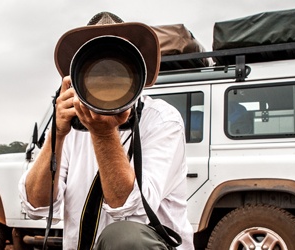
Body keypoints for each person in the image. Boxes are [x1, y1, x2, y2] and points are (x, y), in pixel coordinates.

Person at [18, 12, 192, 250]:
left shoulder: (162, 120)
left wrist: (102, 133)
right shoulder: (71, 124)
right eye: (98, 69)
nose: (108, 78)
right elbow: (35, 205)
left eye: (116, 68)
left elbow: (128, 210)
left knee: (125, 237)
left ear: (136, 72)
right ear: (78, 74)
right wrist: (56, 135)